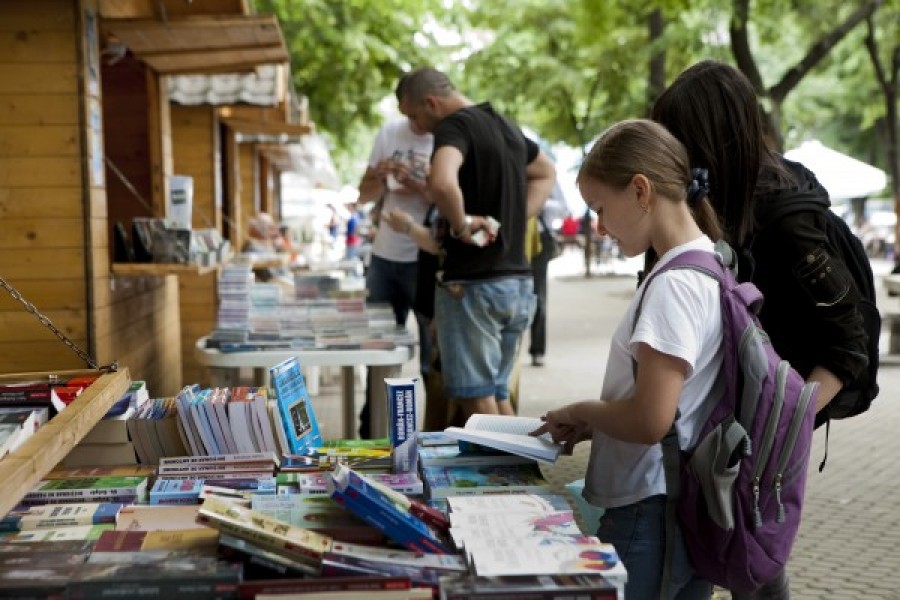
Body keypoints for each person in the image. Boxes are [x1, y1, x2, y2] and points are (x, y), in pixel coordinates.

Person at [650, 60, 869, 600]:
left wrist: (777, 434)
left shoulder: (788, 218)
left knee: (754, 549)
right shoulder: (713, 198)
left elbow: (848, 345)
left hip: (767, 423)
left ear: (709, 138)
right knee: (740, 548)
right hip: (726, 416)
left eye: (679, 139)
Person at [530, 119, 723, 600]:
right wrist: (599, 426)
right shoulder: (710, 262)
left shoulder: (673, 286)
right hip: (678, 507)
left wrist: (581, 411)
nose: (598, 226)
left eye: (600, 208)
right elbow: (678, 407)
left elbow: (650, 420)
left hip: (649, 513)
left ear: (640, 190)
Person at [398, 66, 556, 420]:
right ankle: (517, 473)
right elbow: (546, 172)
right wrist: (517, 216)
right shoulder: (505, 125)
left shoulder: (454, 126)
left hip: (473, 286)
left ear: (432, 103)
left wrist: (460, 225)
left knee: (477, 400)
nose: (416, 127)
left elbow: (441, 183)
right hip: (517, 283)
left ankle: (510, 474)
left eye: (414, 116)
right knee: (498, 396)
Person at [354, 84, 434, 438]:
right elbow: (364, 193)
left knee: (432, 361)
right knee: (379, 355)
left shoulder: (446, 139)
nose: (410, 120)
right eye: (405, 113)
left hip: (425, 258)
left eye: (413, 113)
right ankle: (371, 435)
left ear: (429, 104)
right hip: (385, 257)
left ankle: (430, 437)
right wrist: (377, 175)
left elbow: (447, 198)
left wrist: (414, 181)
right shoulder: (388, 132)